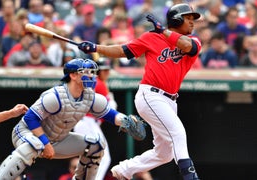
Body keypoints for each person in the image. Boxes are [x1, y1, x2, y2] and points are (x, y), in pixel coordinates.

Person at [77, 3, 201, 180]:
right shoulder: (151, 37)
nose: (192, 22)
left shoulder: (194, 41)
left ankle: (125, 169)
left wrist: (164, 31)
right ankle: (191, 177)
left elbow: (188, 47)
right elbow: (123, 50)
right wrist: (96, 48)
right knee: (178, 133)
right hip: (150, 95)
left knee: (165, 153)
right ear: (177, 19)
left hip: (170, 100)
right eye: (188, 18)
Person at [0, 58, 145, 180]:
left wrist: (126, 120)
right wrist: (45, 143)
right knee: (34, 145)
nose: (91, 76)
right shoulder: (55, 96)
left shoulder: (90, 96)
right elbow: (30, 119)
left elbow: (109, 114)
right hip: (27, 134)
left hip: (58, 139)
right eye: (86, 73)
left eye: (92, 73)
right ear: (73, 75)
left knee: (97, 145)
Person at [73, 58, 116, 180]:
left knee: (90, 159)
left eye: (108, 70)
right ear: (98, 72)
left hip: (84, 123)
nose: (106, 73)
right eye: (104, 71)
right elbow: (108, 110)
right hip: (87, 122)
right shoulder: (99, 83)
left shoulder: (95, 83)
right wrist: (111, 100)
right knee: (103, 157)